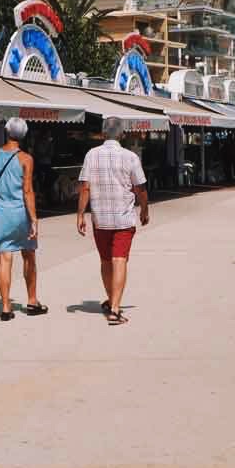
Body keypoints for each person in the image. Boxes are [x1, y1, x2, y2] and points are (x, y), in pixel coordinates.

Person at [76, 116, 149, 326]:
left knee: (106, 261)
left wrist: (80, 214)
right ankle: (115, 309)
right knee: (120, 260)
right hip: (123, 218)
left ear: (103, 133)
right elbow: (140, 188)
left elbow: (85, 187)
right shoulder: (130, 157)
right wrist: (144, 209)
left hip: (100, 218)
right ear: (122, 134)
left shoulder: (92, 155)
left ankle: (111, 300)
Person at [0, 118, 45, 321]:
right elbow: (27, 191)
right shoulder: (26, 159)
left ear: (7, 132)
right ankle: (32, 301)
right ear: (24, 135)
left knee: (4, 259)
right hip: (20, 214)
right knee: (29, 255)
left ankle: (7, 307)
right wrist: (34, 218)